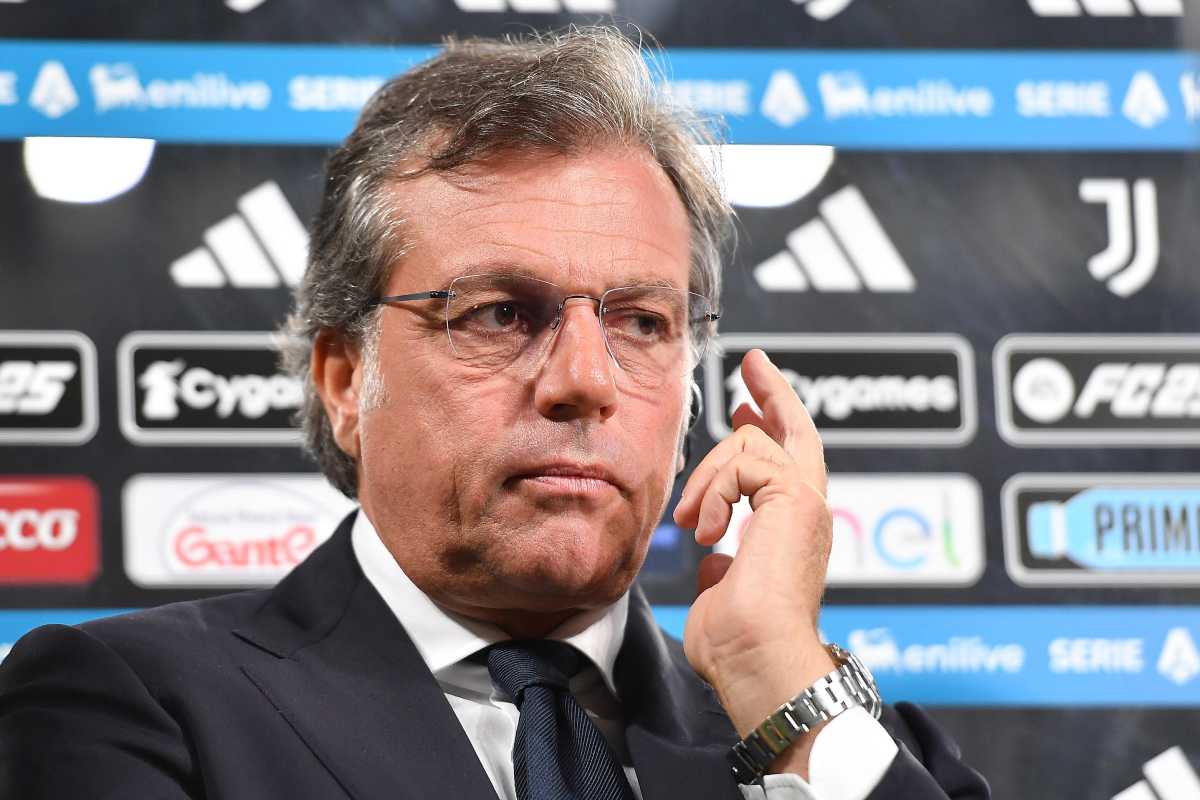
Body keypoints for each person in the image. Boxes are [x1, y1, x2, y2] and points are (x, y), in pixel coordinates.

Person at [0, 28, 988, 800]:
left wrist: (777, 682)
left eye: (642, 321)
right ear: (345, 380)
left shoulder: (843, 745)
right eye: (501, 313)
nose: (585, 380)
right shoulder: (131, 704)